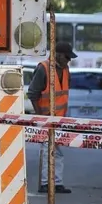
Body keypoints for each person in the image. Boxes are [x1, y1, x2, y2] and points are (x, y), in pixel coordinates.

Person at [27, 41, 75, 194]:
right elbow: (32, 94)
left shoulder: (66, 70)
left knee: (57, 151)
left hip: (59, 119)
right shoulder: (43, 68)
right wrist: (40, 116)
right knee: (48, 150)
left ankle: (56, 183)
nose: (69, 60)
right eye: (67, 57)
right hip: (46, 118)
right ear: (58, 55)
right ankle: (46, 183)